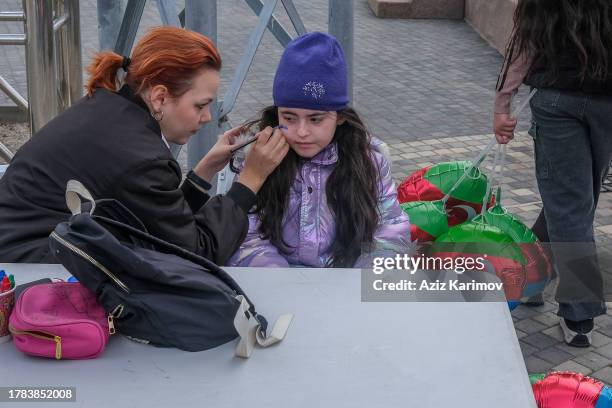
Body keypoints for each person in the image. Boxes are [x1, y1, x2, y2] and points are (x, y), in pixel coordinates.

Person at [0, 26, 288, 264]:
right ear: (160, 97)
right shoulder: (140, 157)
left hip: (21, 247)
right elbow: (197, 252)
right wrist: (251, 179)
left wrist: (203, 172)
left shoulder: (107, 109)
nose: (208, 117)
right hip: (30, 269)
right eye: (200, 105)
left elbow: (157, 223)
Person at [228, 32, 411, 268]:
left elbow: (390, 231)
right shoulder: (259, 157)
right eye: (289, 117)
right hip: (277, 291)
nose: (301, 132)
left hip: (346, 290)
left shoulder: (369, 160)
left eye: (315, 119)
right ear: (277, 113)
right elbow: (244, 233)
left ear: (340, 117)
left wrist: (359, 282)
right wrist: (279, 279)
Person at [494, 0, 612, 347]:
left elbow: (524, 42)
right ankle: (556, 293)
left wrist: (502, 105)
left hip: (560, 98)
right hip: (604, 103)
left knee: (570, 201)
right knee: (574, 200)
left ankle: (566, 304)